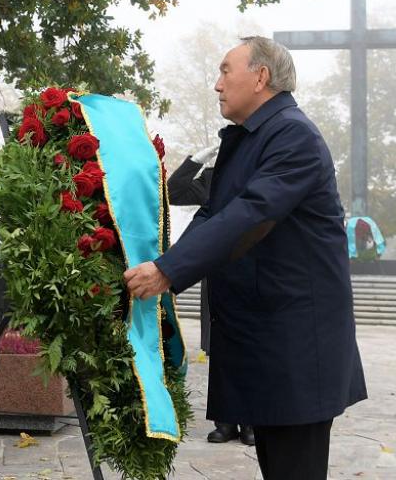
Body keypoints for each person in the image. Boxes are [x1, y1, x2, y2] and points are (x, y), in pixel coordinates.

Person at [124, 37, 367, 480]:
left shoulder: (293, 134)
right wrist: (164, 265)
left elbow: (252, 212)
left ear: (261, 77)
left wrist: (167, 272)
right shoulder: (254, 137)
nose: (217, 84)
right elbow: (213, 213)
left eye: (225, 71)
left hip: (296, 343)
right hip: (268, 338)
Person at [168, 145, 254, 446]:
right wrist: (196, 161)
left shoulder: (259, 173)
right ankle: (225, 422)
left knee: (250, 352)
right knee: (220, 353)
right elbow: (174, 191)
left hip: (253, 273)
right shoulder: (214, 178)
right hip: (218, 276)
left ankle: (251, 421)